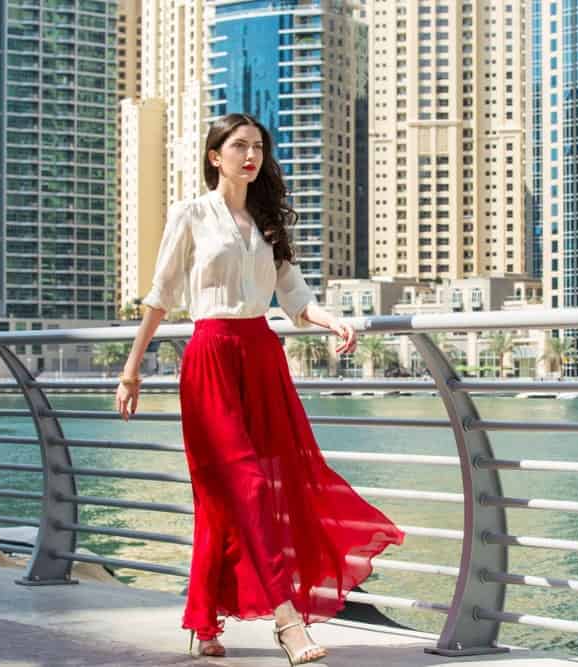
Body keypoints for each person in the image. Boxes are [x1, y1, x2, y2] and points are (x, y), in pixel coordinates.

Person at [115, 113, 404, 665]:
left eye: (259, 147)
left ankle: (204, 620)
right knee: (243, 487)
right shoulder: (191, 215)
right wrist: (132, 370)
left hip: (262, 358)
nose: (251, 156)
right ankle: (288, 621)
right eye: (239, 146)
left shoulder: (268, 223)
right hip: (212, 359)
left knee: (239, 497)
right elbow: (159, 296)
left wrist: (333, 321)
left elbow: (295, 299)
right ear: (213, 156)